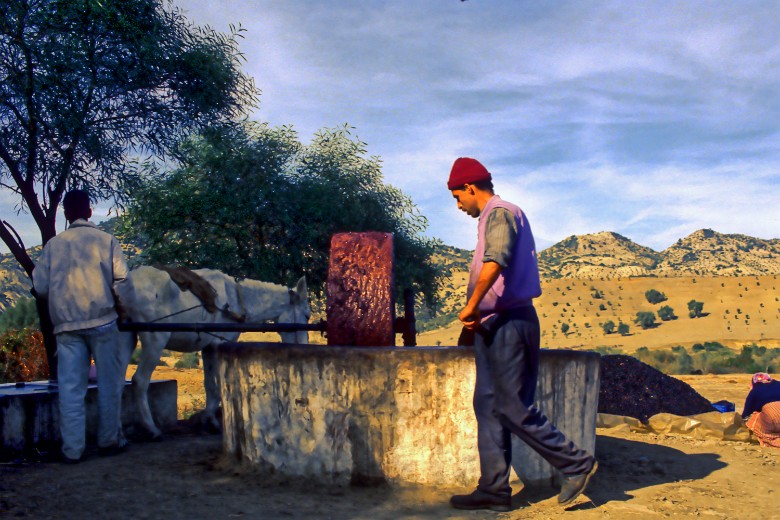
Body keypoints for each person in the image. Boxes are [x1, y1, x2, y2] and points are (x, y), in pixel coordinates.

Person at [446, 158, 598, 511]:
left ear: (470, 187)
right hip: (492, 324)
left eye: (457, 197)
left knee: (512, 406)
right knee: (486, 405)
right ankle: (494, 490)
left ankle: (576, 463)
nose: (458, 206)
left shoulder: (500, 212)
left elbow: (496, 259)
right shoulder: (489, 217)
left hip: (510, 321)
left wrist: (472, 304)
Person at [33, 189, 131, 463]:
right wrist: (122, 308)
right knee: (109, 385)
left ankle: (73, 450)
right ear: (89, 211)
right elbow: (123, 280)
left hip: (67, 328)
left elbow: (40, 287)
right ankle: (109, 441)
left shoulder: (53, 245)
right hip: (104, 322)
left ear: (65, 214)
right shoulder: (106, 240)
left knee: (70, 390)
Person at [742, 373, 780, 448]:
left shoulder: (755, 390)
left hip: (773, 417)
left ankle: (773, 439)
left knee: (753, 420)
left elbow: (746, 414)